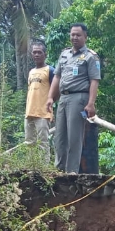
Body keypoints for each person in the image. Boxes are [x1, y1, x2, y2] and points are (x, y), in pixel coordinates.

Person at [46, 23, 100, 173]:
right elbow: (57, 77)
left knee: (74, 138)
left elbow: (95, 80)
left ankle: (71, 172)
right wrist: (50, 97)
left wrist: (91, 103)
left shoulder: (91, 56)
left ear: (85, 37)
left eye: (78, 35)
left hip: (79, 97)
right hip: (63, 98)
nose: (74, 37)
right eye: (72, 35)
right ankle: (59, 170)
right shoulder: (64, 54)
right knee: (59, 136)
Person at [24, 41, 54, 159]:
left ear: (45, 54)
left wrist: (51, 108)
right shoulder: (31, 72)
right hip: (29, 111)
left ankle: (44, 168)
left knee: (43, 142)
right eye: (34, 52)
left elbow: (55, 90)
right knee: (29, 142)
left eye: (39, 52)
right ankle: (31, 167)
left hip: (43, 112)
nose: (36, 55)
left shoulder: (50, 70)